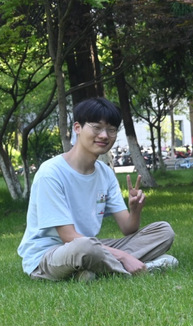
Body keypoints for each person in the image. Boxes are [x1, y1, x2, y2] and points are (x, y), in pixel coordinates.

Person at [17, 97, 177, 282]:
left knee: (163, 231)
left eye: (111, 130)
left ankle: (90, 272)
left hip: (89, 247)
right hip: (49, 255)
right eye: (96, 127)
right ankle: (143, 268)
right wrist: (124, 256)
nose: (104, 135)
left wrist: (135, 210)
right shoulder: (51, 173)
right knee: (85, 247)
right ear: (77, 128)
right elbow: (69, 237)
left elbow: (128, 228)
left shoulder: (105, 173)